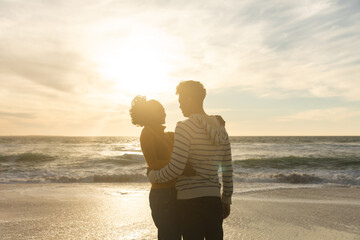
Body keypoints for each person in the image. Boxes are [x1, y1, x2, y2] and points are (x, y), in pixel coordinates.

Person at [147, 80, 233, 240]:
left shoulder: (184, 127)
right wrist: (226, 198)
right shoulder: (221, 129)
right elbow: (227, 167)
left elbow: (176, 167)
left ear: (189, 99)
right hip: (213, 201)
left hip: (189, 203)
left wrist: (153, 175)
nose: (179, 106)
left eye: (180, 101)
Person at [130, 96, 195, 240]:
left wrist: (213, 120)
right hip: (162, 194)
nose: (164, 114)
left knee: (176, 234)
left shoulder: (167, 135)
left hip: (175, 191)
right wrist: (181, 167)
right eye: (160, 111)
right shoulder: (147, 133)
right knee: (169, 235)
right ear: (150, 114)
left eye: (163, 111)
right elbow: (153, 163)